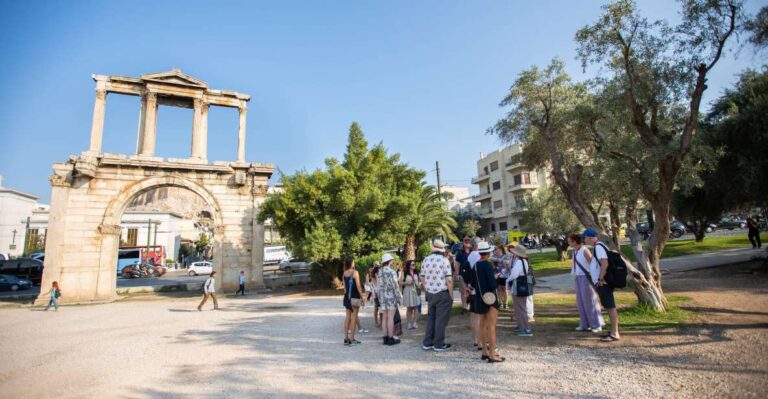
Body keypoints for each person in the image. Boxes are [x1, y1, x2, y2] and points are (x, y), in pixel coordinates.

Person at [582, 229, 620, 342]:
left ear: (590, 237)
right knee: (609, 307)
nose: (583, 240)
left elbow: (605, 263)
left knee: (610, 307)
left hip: (604, 282)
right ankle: (613, 331)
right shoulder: (598, 246)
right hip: (603, 281)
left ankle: (614, 333)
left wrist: (600, 278)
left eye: (584, 237)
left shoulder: (598, 247)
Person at [472, 241, 504, 363]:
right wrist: (496, 278)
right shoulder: (488, 265)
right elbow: (492, 284)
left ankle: (484, 351)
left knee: (482, 325)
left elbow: (473, 282)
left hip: (480, 298)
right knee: (492, 326)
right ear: (488, 253)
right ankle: (492, 354)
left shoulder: (475, 265)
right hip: (491, 298)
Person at [421, 239, 454, 352]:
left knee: (431, 317)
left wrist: (427, 289)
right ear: (442, 249)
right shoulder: (444, 260)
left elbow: (422, 277)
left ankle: (427, 342)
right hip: (442, 292)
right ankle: (438, 344)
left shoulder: (425, 260)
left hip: (430, 293)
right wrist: (451, 295)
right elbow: (449, 279)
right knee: (440, 319)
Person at [568, 232, 604, 333]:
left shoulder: (584, 250)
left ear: (575, 241)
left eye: (570, 241)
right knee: (581, 301)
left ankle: (597, 324)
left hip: (586, 277)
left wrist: (595, 278)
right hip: (577, 277)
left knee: (590, 301)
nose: (568, 243)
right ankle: (584, 324)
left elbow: (592, 264)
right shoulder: (574, 251)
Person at [507, 245, 533, 337]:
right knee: (520, 307)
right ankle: (521, 326)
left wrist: (507, 280)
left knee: (520, 308)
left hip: (518, 287)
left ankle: (526, 328)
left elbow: (514, 275)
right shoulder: (524, 261)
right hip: (521, 286)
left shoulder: (518, 262)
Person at [377, 254, 402, 345]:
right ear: (389, 261)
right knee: (390, 317)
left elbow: (379, 286)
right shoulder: (392, 272)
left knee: (384, 318)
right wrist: (399, 297)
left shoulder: (379, 272)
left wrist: (379, 297)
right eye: (391, 260)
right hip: (391, 296)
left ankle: (385, 338)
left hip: (383, 296)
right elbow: (395, 285)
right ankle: (391, 338)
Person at [342, 256, 365, 345]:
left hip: (347, 297)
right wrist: (362, 297)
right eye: (353, 262)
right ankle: (352, 339)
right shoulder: (355, 273)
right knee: (354, 318)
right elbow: (358, 286)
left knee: (347, 317)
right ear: (351, 263)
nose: (354, 263)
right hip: (355, 297)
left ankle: (346, 338)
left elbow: (345, 288)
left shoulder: (344, 273)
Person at [453, 236, 473, 314]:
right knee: (463, 291)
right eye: (466, 241)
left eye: (468, 241)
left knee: (471, 291)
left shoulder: (473, 252)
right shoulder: (460, 252)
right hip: (462, 274)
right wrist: (457, 274)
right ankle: (464, 307)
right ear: (463, 242)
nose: (467, 242)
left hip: (472, 274)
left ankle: (472, 306)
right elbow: (457, 264)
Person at [400, 260, 421, 330]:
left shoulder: (417, 273)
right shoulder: (404, 273)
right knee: (409, 308)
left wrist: (419, 284)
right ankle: (409, 323)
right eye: (412, 264)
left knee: (416, 308)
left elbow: (421, 280)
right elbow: (400, 282)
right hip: (408, 291)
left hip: (415, 291)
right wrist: (406, 283)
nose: (414, 265)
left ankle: (415, 323)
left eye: (414, 264)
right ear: (409, 265)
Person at [493, 245, 509, 310]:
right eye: (496, 249)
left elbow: (507, 264)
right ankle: (500, 303)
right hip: (497, 275)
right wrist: (498, 260)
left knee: (504, 289)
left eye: (497, 249)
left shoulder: (506, 255)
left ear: (501, 249)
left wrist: (499, 260)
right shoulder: (495, 255)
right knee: (498, 289)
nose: (496, 250)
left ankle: (506, 303)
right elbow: (490, 258)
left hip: (504, 275)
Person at [369, 263, 382, 328]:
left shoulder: (378, 274)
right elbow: (375, 285)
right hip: (376, 294)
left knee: (380, 309)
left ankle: (381, 322)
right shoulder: (373, 275)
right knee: (377, 308)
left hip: (379, 294)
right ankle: (377, 322)